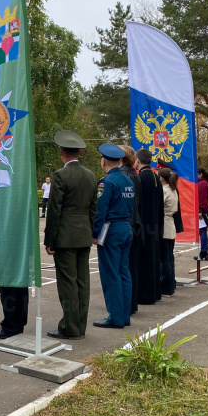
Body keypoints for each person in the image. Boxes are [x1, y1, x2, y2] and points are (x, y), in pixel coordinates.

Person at [43, 131, 98, 341]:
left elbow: (54, 210)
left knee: (67, 283)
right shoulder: (91, 175)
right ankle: (80, 326)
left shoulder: (60, 175)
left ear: (61, 153)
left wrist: (50, 240)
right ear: (79, 153)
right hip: (83, 234)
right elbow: (94, 209)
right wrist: (91, 232)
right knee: (82, 282)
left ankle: (69, 327)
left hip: (65, 237)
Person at [92, 144, 135, 329]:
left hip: (111, 229)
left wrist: (94, 233)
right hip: (126, 227)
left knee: (111, 274)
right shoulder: (129, 180)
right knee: (124, 272)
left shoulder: (106, 182)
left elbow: (100, 211)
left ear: (103, 161)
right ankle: (125, 315)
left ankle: (115, 317)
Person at [135, 148, 163, 305]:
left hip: (144, 225)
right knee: (153, 260)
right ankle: (154, 292)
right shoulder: (154, 176)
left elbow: (139, 204)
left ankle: (145, 295)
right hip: (154, 224)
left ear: (137, 160)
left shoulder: (142, 177)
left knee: (144, 261)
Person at [119, 146, 141, 315]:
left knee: (121, 269)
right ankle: (131, 303)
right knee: (130, 267)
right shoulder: (135, 174)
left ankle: (124, 306)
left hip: (125, 222)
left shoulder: (123, 175)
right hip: (134, 223)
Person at [159, 168, 179, 296]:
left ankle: (165, 286)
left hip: (165, 226)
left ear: (161, 178)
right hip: (170, 225)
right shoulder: (173, 190)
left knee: (164, 259)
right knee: (169, 258)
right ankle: (170, 285)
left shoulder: (164, 190)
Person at [196, 168, 208, 261]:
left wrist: (199, 210)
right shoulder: (204, 183)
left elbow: (202, 199)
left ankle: (204, 251)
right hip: (203, 209)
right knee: (202, 231)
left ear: (200, 174)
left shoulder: (202, 184)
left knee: (202, 231)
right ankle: (204, 251)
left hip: (202, 210)